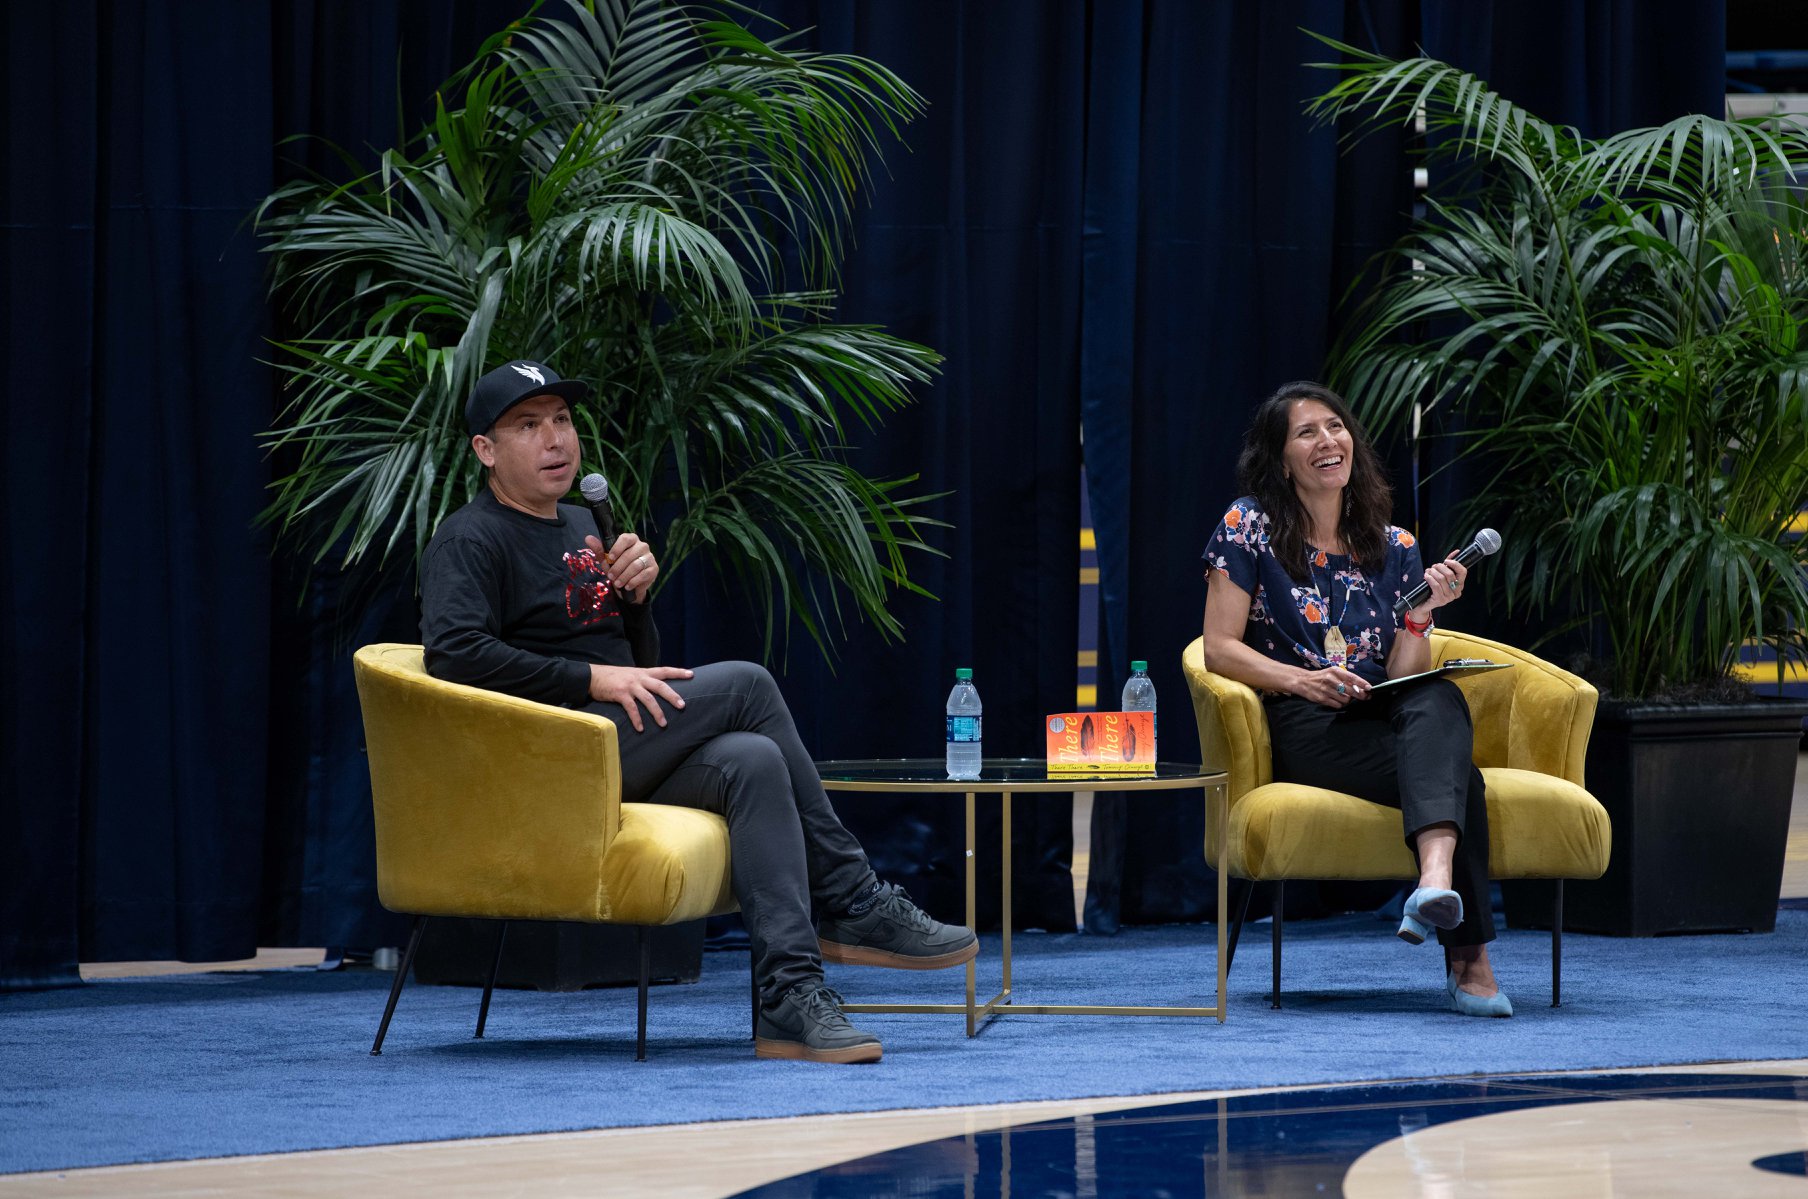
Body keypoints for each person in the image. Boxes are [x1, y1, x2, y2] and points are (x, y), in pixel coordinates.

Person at [419, 359, 979, 1063]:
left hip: (611, 748)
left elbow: (635, 661)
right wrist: (590, 676)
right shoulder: (469, 539)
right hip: (546, 766)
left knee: (754, 759)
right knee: (746, 684)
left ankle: (789, 999)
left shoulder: (580, 520)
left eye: (562, 419)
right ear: (485, 450)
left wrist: (635, 601)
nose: (555, 438)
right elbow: (455, 656)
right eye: (528, 426)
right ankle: (853, 898)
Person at [1198, 380, 1512, 1018]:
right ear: (1281, 457)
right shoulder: (1247, 525)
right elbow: (1217, 648)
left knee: (1439, 697)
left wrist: (1422, 617)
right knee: (1463, 780)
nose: (1326, 441)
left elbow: (1406, 668)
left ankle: (1432, 883)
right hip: (1304, 721)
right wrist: (1300, 679)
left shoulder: (1393, 545)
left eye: (1335, 427)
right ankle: (1469, 962)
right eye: (1306, 432)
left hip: (1380, 710)